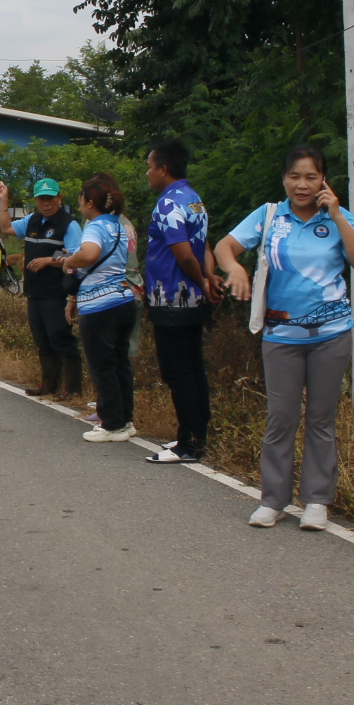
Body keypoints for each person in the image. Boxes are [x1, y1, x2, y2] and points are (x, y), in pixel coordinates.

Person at [215, 144, 354, 531]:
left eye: (311, 177)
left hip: (331, 335)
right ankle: (273, 500)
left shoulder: (339, 218)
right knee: (281, 419)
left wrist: (337, 215)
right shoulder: (270, 216)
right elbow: (224, 247)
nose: (302, 185)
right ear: (284, 179)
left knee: (321, 420)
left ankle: (317, 501)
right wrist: (234, 268)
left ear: (324, 181)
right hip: (281, 337)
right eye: (294, 176)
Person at [144, 138, 221, 462]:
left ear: (163, 169)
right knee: (193, 368)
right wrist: (209, 277)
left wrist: (201, 280)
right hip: (193, 300)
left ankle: (188, 444)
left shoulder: (168, 204)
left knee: (177, 372)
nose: (147, 173)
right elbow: (204, 243)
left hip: (172, 300)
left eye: (150, 167)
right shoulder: (194, 199)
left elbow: (185, 254)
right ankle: (196, 434)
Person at [63, 174, 140, 441]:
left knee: (102, 366)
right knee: (120, 364)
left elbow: (90, 254)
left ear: (90, 202)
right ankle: (125, 420)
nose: (80, 206)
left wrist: (69, 261)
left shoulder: (95, 227)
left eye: (81, 201)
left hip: (99, 305)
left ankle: (111, 424)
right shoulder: (118, 225)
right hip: (123, 299)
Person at [0, 178, 83, 398]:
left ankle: (72, 389)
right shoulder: (33, 221)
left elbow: (77, 256)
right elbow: (6, 228)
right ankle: (49, 384)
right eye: (42, 199)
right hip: (35, 292)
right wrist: (3, 201)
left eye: (50, 198)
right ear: (36, 201)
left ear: (59, 198)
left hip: (57, 292)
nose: (46, 203)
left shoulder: (68, 224)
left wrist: (49, 261)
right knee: (42, 340)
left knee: (60, 337)